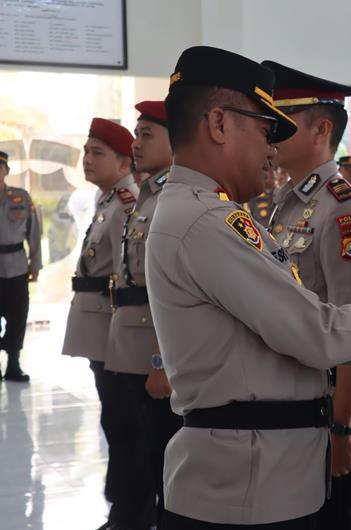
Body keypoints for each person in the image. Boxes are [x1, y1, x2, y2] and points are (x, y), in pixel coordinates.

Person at [145, 46, 351, 530]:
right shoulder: (206, 221)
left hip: (260, 469)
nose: (270, 148)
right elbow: (315, 331)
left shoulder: (200, 211)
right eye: (263, 129)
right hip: (250, 483)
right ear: (218, 124)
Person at [263, 59, 351, 530]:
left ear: (321, 128)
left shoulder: (343, 211)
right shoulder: (289, 202)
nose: (270, 132)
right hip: (304, 402)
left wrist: (341, 426)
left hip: (337, 409)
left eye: (282, 120)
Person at [61, 118, 145, 530]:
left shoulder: (128, 201)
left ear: (123, 159)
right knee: (116, 423)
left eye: (97, 153)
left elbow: (130, 278)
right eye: (85, 152)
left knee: (127, 426)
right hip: (103, 333)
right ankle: (124, 509)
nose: (87, 160)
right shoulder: (108, 199)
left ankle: (132, 513)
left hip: (118, 335)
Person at [104, 100, 182, 530]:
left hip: (155, 351)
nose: (136, 144)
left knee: (162, 450)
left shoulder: (172, 199)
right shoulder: (149, 195)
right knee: (138, 443)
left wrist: (161, 361)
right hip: (133, 344)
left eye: (147, 134)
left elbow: (168, 295)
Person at [0, 150, 41, 382]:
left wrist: (35, 264)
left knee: (17, 316)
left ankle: (13, 364)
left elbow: (34, 232)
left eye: (0, 168)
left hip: (16, 266)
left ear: (6, 170)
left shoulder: (21, 197)